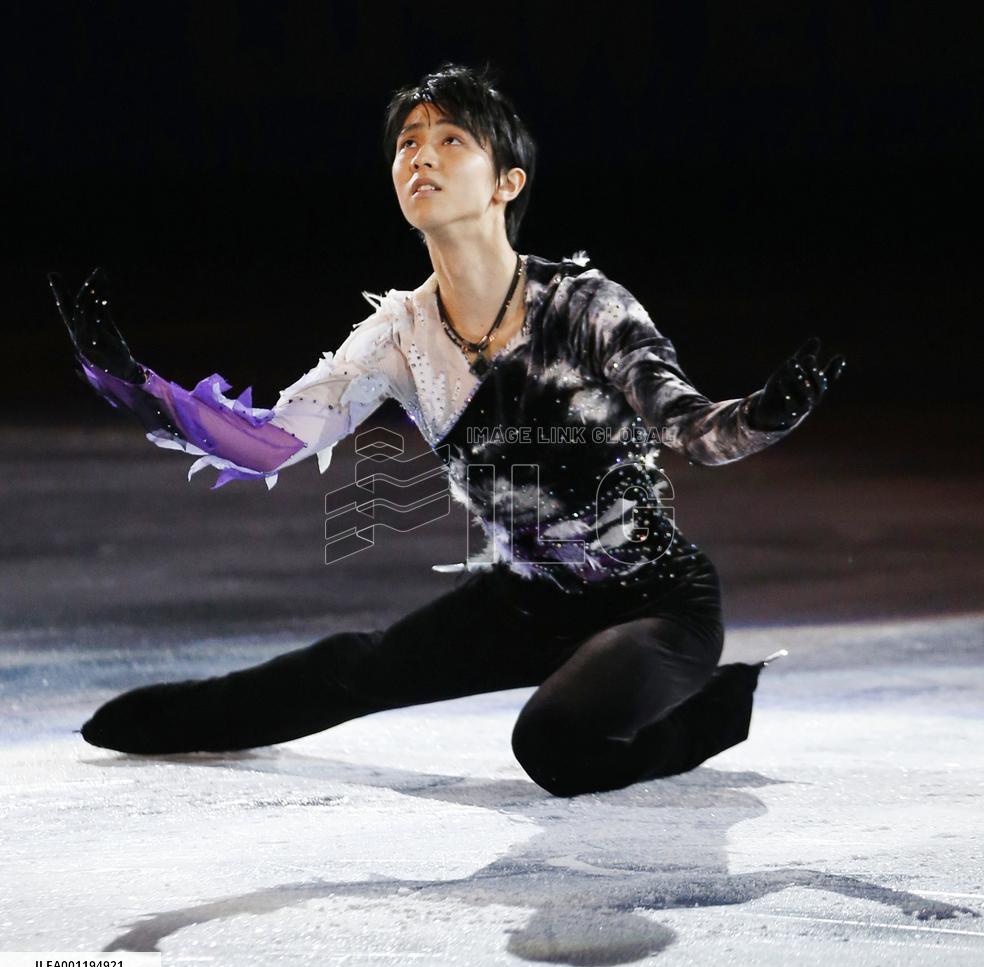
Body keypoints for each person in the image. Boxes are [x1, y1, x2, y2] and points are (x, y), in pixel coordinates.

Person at [49, 63, 844, 798]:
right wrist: (129, 380)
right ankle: (160, 722)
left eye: (450, 139)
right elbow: (269, 442)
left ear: (507, 183)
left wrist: (768, 412)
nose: (420, 156)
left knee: (555, 743)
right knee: (349, 668)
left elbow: (697, 432)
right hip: (527, 601)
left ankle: (716, 708)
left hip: (656, 604)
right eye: (407, 143)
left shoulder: (585, 306)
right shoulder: (398, 334)